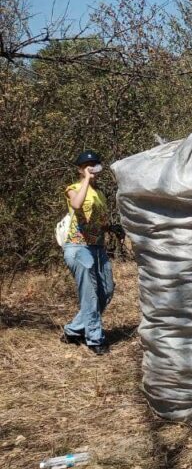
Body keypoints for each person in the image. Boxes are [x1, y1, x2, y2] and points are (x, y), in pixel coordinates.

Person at [62, 150, 115, 355]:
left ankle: (73, 330)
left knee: (107, 290)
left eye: (94, 164)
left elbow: (98, 222)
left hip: (97, 248)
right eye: (86, 165)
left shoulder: (100, 193)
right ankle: (95, 339)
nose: (91, 167)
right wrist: (85, 180)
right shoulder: (73, 188)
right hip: (78, 247)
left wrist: (111, 228)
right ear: (80, 169)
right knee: (90, 294)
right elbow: (76, 205)